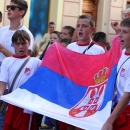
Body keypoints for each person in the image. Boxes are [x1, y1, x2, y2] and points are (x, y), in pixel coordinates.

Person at [0, 0, 34, 129]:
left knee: (5, 122)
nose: (8, 10)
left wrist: (3, 49)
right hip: (1, 81)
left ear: (22, 12)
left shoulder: (26, 34)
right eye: (8, 7)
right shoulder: (2, 31)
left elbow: (25, 61)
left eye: (13, 8)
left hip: (11, 85)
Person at [0, 30, 41, 130]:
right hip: (11, 102)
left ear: (29, 44)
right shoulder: (7, 61)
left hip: (26, 105)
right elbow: (3, 83)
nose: (21, 47)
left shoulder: (35, 62)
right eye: (17, 44)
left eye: (23, 43)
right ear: (13, 45)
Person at [101, 18, 130, 130]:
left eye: (125, 32)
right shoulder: (123, 53)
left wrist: (109, 121)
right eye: (120, 31)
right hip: (118, 109)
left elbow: (127, 95)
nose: (120, 35)